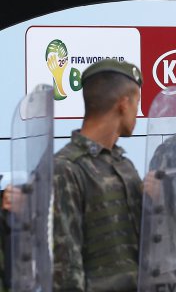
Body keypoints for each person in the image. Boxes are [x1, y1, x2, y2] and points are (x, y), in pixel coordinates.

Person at [52, 59, 144, 291]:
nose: (138, 113)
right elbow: (65, 266)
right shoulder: (65, 168)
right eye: (137, 104)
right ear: (124, 104)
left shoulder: (125, 166)